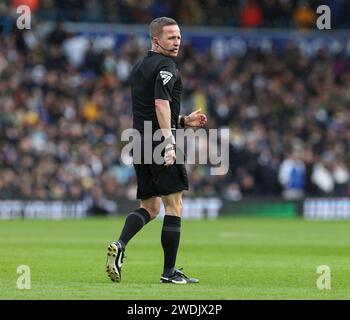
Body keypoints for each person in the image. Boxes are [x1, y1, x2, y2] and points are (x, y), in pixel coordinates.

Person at [106, 17, 207, 284]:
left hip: (138, 141)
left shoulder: (141, 66)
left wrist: (184, 121)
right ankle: (169, 273)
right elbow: (161, 105)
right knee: (174, 205)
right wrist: (170, 142)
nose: (177, 42)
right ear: (155, 40)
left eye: (179, 37)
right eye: (171, 37)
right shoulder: (166, 66)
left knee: (149, 208)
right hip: (158, 143)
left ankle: (120, 244)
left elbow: (150, 109)